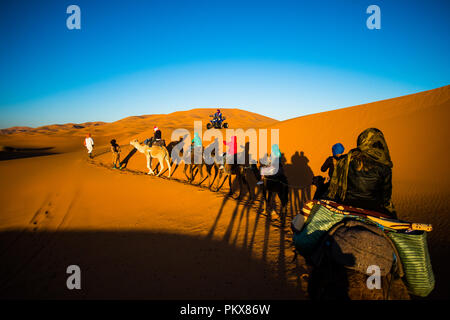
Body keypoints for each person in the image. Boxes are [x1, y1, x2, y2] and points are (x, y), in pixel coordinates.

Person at [326, 128, 396, 217]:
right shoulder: (384, 166)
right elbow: (386, 198)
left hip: (346, 206)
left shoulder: (345, 160)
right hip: (373, 210)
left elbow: (334, 188)